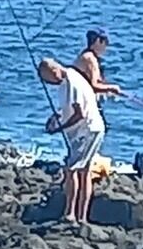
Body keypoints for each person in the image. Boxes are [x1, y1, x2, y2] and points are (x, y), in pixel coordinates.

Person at [38, 55, 105, 227]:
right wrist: (56, 118)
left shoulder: (71, 82)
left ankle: (71, 214)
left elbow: (79, 114)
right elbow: (67, 108)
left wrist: (59, 129)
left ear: (54, 71)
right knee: (84, 172)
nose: (50, 84)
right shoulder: (68, 80)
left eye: (49, 80)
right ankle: (81, 217)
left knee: (71, 169)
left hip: (87, 131)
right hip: (90, 130)